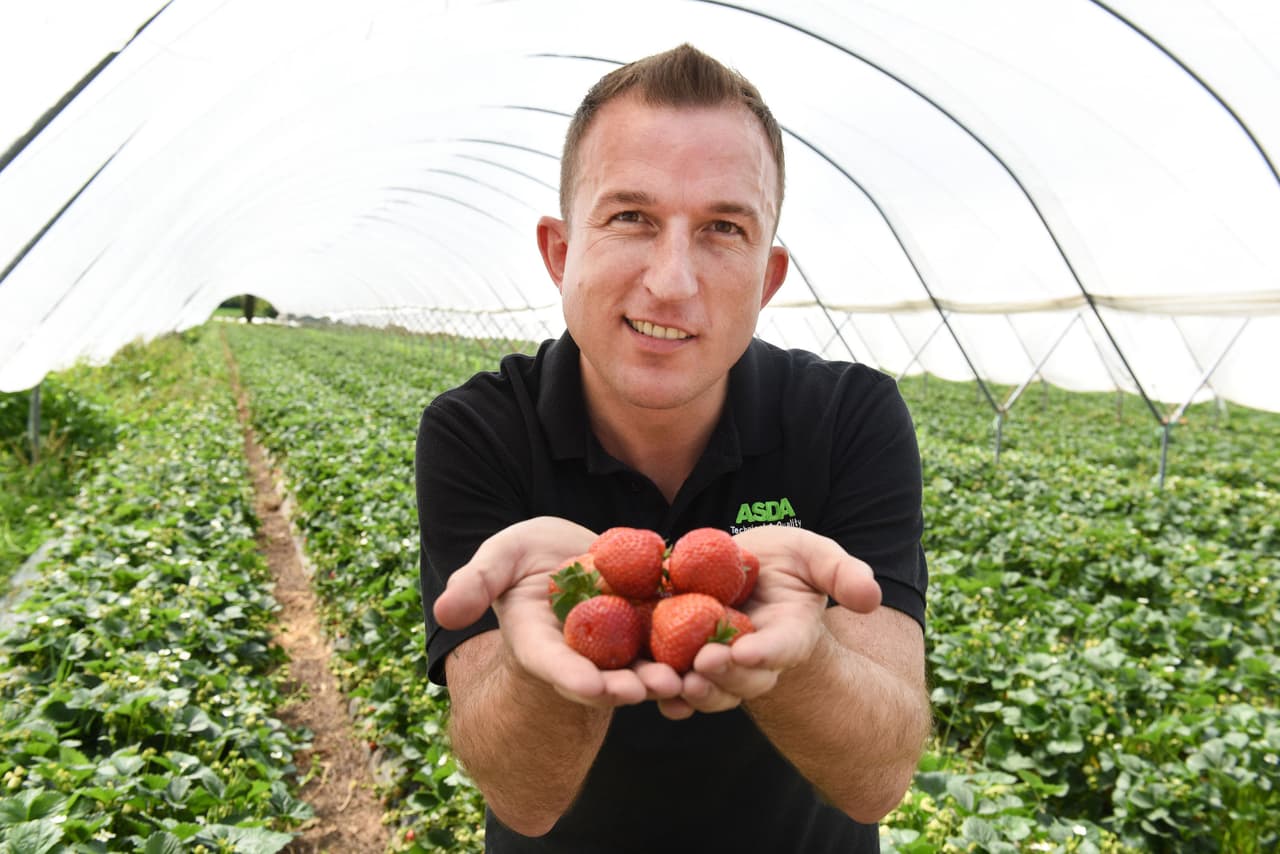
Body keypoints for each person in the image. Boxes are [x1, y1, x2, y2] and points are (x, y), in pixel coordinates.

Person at [416, 44, 931, 853]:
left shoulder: (848, 417)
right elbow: (522, 798)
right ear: (560, 253)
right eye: (632, 218)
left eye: (724, 229)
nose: (672, 281)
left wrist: (799, 657)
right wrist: (551, 645)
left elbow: (879, 779)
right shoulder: (479, 430)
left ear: (767, 278)